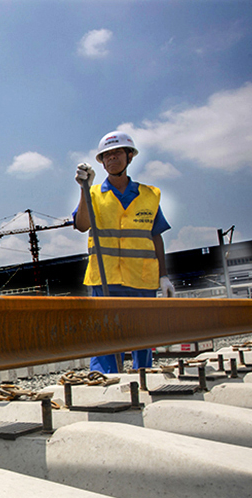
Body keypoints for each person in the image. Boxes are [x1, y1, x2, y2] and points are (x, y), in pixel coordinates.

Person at [73, 131, 175, 374]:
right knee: (105, 336)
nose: (112, 159)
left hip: (142, 279)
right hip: (105, 278)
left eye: (117, 153)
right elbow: (82, 225)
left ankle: (144, 380)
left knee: (142, 336)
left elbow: (155, 236)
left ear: (129, 156)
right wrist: (84, 189)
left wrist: (164, 275)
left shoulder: (149, 195)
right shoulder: (94, 194)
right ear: (101, 162)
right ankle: (104, 382)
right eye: (106, 156)